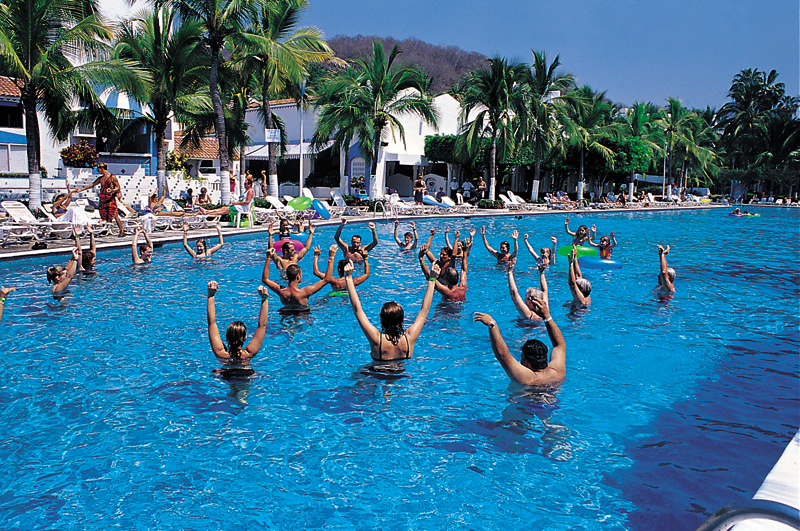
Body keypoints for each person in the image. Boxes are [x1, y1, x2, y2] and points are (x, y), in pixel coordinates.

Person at [343, 260, 439, 362]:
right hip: (401, 376)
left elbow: (357, 310)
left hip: (377, 374)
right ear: (402, 319)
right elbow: (425, 310)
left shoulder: (377, 340)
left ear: (381, 319)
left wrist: (348, 278)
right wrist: (432, 280)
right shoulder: (409, 338)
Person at [473, 297, 566, 386]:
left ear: (526, 362)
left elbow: (502, 355)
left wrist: (492, 325)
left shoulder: (527, 379)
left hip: (526, 402)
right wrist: (547, 316)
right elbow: (559, 345)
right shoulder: (557, 372)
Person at [206, 281, 269, 362]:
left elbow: (211, 323)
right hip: (245, 373)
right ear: (245, 337)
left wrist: (211, 295)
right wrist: (265, 298)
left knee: (216, 371)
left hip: (225, 374)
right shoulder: (248, 354)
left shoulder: (220, 353)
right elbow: (262, 326)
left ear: (226, 336)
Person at [261, 251, 328, 312]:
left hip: (285, 313)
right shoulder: (305, 292)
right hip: (302, 315)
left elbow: (265, 279)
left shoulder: (281, 291)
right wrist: (330, 257)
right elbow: (326, 279)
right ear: (298, 276)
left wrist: (268, 258)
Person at [76, 162, 126, 236]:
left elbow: (118, 187)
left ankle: (121, 230)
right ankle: (105, 229)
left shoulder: (112, 177)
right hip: (103, 198)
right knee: (104, 215)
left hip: (110, 198)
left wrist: (112, 190)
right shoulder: (101, 178)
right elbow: (92, 184)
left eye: (98, 169)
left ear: (102, 168)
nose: (98, 171)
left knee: (114, 214)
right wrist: (81, 190)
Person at [419, 236, 472, 301]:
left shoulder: (447, 292)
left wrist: (421, 259)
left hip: (445, 310)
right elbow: (464, 270)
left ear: (446, 280)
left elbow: (430, 278)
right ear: (458, 277)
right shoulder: (463, 288)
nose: (441, 256)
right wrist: (465, 251)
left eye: (443, 255)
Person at [507, 258, 548, 322]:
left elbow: (514, 294)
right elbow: (544, 291)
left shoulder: (529, 314)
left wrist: (510, 272)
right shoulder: (545, 310)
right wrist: (542, 273)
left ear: (529, 302)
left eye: (525, 297)